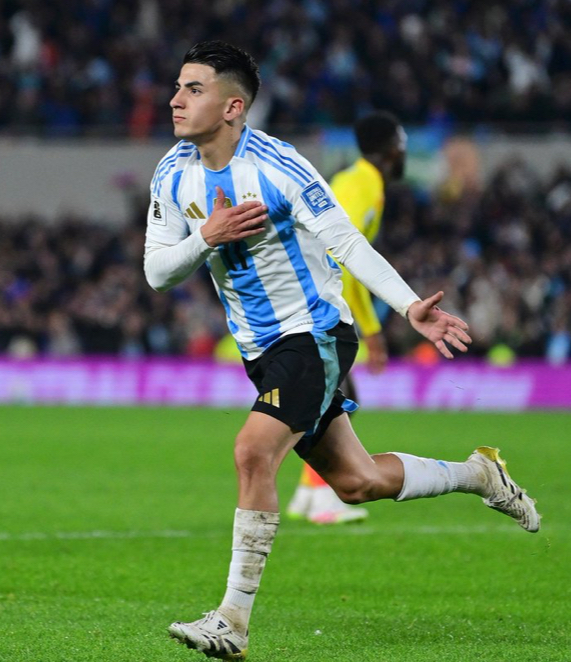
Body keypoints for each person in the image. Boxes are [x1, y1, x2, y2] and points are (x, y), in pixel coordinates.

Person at [144, 41, 540, 661]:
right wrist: (206, 237)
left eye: (193, 89)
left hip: (315, 333)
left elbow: (348, 243)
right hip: (260, 350)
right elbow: (157, 272)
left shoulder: (279, 167)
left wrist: (409, 306)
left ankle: (232, 620)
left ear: (232, 106)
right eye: (178, 86)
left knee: (252, 451)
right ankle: (479, 473)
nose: (175, 99)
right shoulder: (172, 173)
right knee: (357, 483)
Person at [286, 110, 405, 525]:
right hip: (315, 303)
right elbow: (343, 258)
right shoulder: (364, 186)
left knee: (331, 398)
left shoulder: (352, 180)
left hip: (308, 296)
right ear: (392, 149)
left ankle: (307, 493)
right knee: (333, 402)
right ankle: (324, 499)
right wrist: (370, 330)